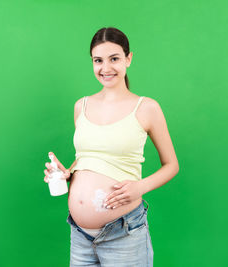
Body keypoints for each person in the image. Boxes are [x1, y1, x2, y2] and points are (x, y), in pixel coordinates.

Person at [43, 27, 179, 266]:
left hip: (123, 234)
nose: (106, 68)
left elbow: (172, 165)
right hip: (80, 236)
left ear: (128, 58)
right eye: (98, 60)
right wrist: (67, 173)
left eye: (114, 59)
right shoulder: (81, 106)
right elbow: (89, 155)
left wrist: (140, 187)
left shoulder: (147, 108)